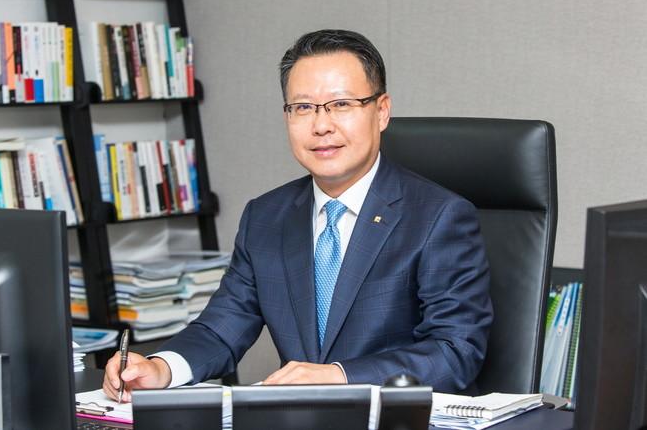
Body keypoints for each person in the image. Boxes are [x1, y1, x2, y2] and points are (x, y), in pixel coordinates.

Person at [103, 29, 493, 401]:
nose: (321, 125)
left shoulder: (439, 217)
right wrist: (160, 368)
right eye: (303, 107)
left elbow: (454, 351)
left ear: (381, 112)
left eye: (342, 104)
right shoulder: (265, 217)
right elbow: (222, 329)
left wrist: (338, 376)